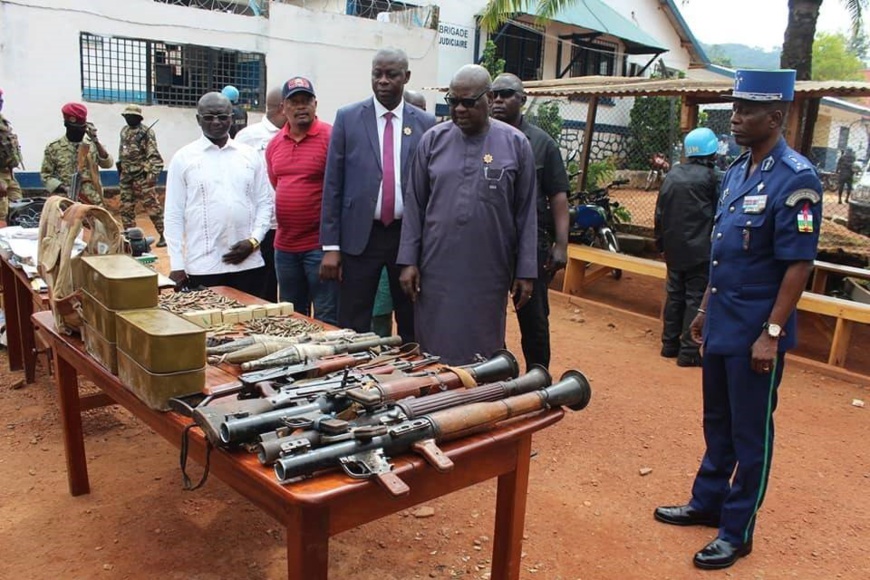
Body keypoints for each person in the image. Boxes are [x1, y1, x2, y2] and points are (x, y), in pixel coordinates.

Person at [654, 69, 822, 570]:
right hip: (724, 321)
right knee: (718, 422)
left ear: (776, 116)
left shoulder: (798, 178)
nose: (736, 118)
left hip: (757, 331)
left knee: (752, 434)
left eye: (748, 111)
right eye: (736, 108)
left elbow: (799, 264)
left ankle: (737, 530)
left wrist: (771, 333)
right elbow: (724, 255)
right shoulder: (734, 172)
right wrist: (704, 310)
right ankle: (707, 503)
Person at [397, 64, 537, 365]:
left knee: (483, 343)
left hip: (489, 269)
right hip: (436, 266)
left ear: (487, 99)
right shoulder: (432, 141)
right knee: (434, 340)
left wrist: (526, 270)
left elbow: (526, 212)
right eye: (452, 101)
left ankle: (479, 403)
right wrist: (408, 260)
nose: (459, 109)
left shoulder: (515, 145)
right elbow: (414, 204)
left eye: (468, 102)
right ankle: (436, 395)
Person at [320, 48, 436, 342]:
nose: (383, 81)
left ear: (406, 77)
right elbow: (333, 184)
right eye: (377, 74)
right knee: (353, 320)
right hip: (361, 237)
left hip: (406, 236)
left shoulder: (425, 124)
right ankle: (352, 377)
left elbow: (432, 187)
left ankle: (411, 378)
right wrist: (331, 247)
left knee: (410, 314)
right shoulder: (348, 118)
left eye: (391, 74)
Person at [490, 72, 569, 371]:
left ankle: (539, 377)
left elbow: (558, 197)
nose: (498, 100)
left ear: (522, 100)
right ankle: (493, 375)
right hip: (491, 243)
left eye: (506, 94)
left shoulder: (542, 143)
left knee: (533, 316)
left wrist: (561, 245)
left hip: (530, 245)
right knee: (488, 313)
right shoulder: (484, 138)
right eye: (494, 95)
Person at [164, 92, 272, 295]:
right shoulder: (184, 158)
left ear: (231, 118)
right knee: (210, 325)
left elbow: (264, 203)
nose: (216, 122)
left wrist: (254, 241)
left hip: (249, 264)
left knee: (252, 323)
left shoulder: (249, 155)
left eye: (222, 117)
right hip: (204, 266)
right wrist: (177, 264)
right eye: (209, 117)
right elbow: (173, 214)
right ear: (198, 119)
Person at [265, 77, 337, 324]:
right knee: (291, 317)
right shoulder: (274, 145)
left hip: (319, 247)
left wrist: (332, 247)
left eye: (306, 101)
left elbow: (340, 191)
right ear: (283, 107)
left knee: (327, 315)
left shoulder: (331, 137)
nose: (300, 107)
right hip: (284, 248)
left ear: (315, 103)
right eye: (294, 102)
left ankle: (328, 361)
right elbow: (278, 184)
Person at [654, 127, 721, 367]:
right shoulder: (713, 178)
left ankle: (668, 345)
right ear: (712, 152)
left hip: (673, 248)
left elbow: (659, 212)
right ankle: (689, 351)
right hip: (701, 249)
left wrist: (660, 244)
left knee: (674, 295)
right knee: (695, 297)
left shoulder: (673, 174)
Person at [235, 86, 286, 301]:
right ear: (284, 108)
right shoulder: (249, 137)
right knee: (262, 287)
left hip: (289, 228)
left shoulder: (295, 133)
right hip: (261, 228)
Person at [41, 103, 114, 206]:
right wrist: (63, 188)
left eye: (82, 128)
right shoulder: (54, 147)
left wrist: (96, 142)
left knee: (100, 222)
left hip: (93, 201)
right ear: (66, 125)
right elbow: (46, 175)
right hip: (66, 203)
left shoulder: (92, 144)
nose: (80, 131)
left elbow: (108, 164)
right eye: (75, 128)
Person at [117, 104, 165, 246]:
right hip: (126, 176)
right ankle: (130, 237)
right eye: (126, 116)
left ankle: (164, 235)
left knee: (152, 206)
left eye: (131, 116)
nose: (128, 118)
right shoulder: (124, 131)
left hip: (141, 175)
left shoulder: (146, 132)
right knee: (126, 208)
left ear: (138, 117)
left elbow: (154, 156)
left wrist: (152, 176)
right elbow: (122, 152)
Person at [0, 88, 23, 222]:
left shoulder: (3, 121)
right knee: (1, 215)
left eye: (1, 100)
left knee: (18, 209)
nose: (1, 103)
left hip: (9, 174)